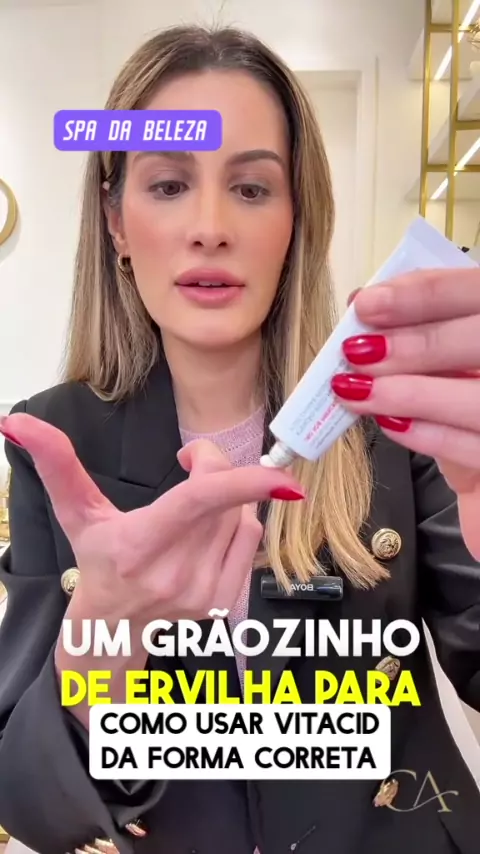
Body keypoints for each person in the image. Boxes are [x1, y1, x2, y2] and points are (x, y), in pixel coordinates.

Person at [0, 22, 479, 854]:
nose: (210, 226)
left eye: (252, 188)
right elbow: (32, 810)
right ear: (115, 222)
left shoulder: (399, 416)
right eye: (168, 185)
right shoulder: (56, 442)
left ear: (297, 217)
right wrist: (100, 651)